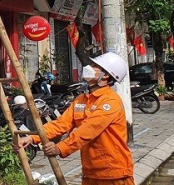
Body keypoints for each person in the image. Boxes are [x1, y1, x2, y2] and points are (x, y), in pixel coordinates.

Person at [40, 52, 134, 185]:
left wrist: (61, 147)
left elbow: (88, 130)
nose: (89, 67)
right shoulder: (81, 100)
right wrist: (31, 137)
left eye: (95, 65)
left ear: (106, 75)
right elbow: (61, 124)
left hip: (114, 173)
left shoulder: (110, 101)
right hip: (90, 173)